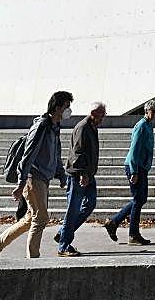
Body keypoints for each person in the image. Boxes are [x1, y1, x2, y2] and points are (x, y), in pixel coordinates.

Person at [0, 90, 72, 260]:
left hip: (43, 178)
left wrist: (61, 175)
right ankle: (33, 261)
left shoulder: (55, 127)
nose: (69, 110)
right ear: (57, 107)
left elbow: (56, 154)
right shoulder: (41, 126)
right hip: (33, 177)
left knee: (30, 219)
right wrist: (21, 183)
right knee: (41, 218)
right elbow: (28, 155)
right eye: (66, 106)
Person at [55, 101, 106, 256]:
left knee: (90, 204)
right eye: (102, 115)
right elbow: (78, 152)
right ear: (93, 113)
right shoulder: (83, 127)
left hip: (88, 174)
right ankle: (63, 245)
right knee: (73, 209)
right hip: (78, 174)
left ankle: (63, 233)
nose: (103, 118)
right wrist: (83, 173)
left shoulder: (92, 127)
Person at [105, 99, 155, 245]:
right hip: (135, 167)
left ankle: (114, 222)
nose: (154, 114)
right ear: (146, 111)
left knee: (140, 199)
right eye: (152, 111)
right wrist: (134, 171)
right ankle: (133, 234)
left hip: (142, 167)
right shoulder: (141, 126)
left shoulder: (149, 125)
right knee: (138, 199)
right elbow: (134, 149)